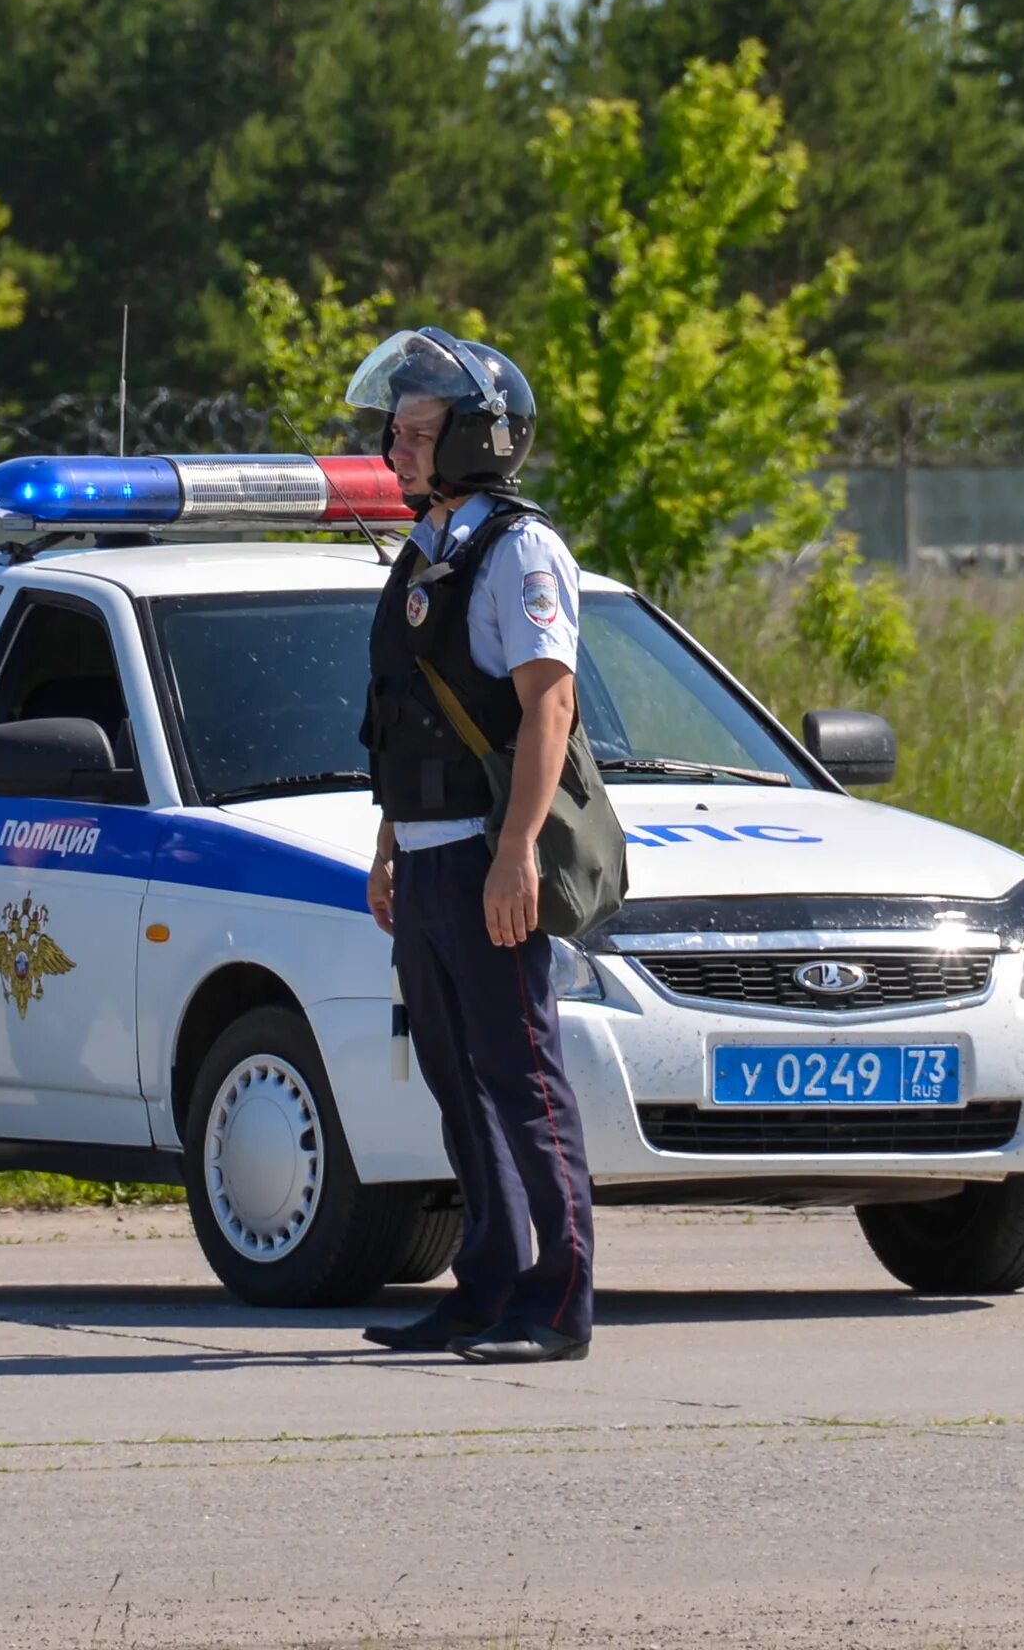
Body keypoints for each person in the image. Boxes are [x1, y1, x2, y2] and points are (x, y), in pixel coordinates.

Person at [349, 329, 595, 1365]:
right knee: (457, 1080)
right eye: (395, 431)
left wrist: (517, 851)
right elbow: (409, 716)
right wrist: (388, 846)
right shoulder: (432, 547)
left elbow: (549, 709)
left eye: (416, 432)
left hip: (490, 858)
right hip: (429, 853)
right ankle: (487, 1281)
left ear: (474, 439)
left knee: (523, 1078)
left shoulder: (519, 552)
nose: (398, 450)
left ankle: (559, 1298)